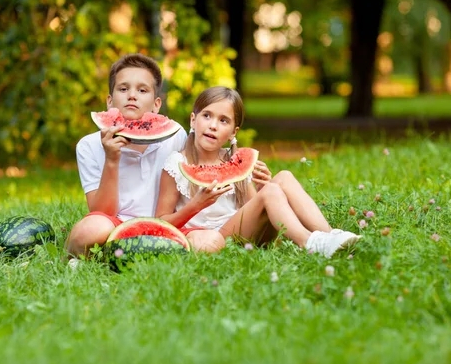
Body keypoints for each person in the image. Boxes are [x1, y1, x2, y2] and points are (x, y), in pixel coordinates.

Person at [156, 86, 362, 258]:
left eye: (223, 121)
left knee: (284, 178)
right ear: (193, 120)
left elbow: (253, 206)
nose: (213, 126)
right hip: (209, 236)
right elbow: (160, 223)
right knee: (271, 192)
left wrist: (263, 186)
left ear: (233, 132)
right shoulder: (176, 163)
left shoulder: (234, 161)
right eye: (207, 116)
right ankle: (309, 242)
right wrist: (195, 206)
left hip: (246, 231)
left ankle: (330, 235)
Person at [66, 54, 224, 259]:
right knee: (89, 230)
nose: (132, 95)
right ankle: (106, 254)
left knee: (212, 242)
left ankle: (119, 256)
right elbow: (102, 212)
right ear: (109, 101)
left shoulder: (176, 134)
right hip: (114, 226)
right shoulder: (88, 146)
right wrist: (111, 159)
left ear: (156, 104)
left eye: (142, 90)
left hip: (167, 227)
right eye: (123, 89)